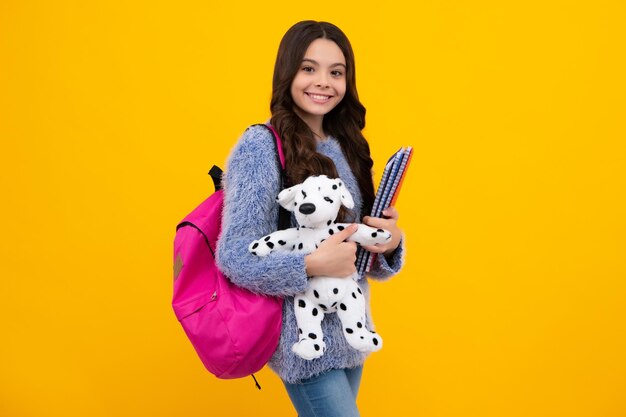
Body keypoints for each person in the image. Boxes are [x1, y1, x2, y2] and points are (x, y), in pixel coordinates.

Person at [216, 20, 405, 417]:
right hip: (302, 341)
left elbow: (359, 261)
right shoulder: (259, 146)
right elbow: (234, 255)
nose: (323, 82)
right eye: (308, 68)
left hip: (352, 334)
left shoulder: (346, 146)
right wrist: (310, 264)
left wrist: (387, 243)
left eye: (336, 72)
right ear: (287, 73)